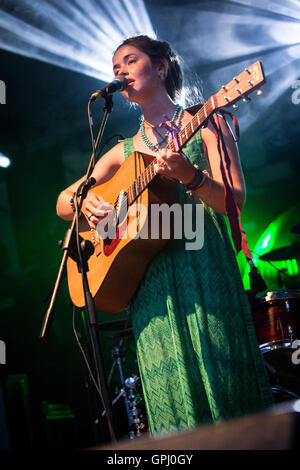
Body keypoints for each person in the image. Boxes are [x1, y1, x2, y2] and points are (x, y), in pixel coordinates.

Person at [56, 35, 273, 436]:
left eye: (129, 60)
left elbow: (234, 203)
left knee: (223, 387)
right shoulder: (123, 151)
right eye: (114, 66)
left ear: (160, 67)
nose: (119, 71)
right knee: (170, 402)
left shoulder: (207, 121)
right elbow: (63, 201)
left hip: (202, 268)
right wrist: (86, 204)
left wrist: (189, 176)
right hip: (149, 287)